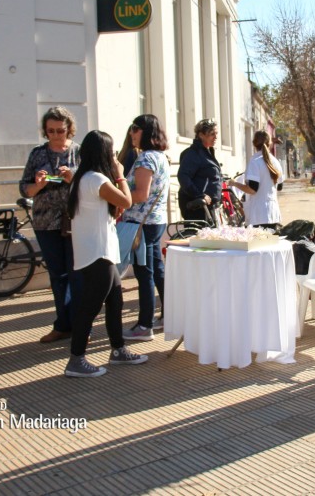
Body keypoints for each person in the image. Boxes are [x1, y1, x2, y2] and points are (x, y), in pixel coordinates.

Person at [65, 130, 147, 377]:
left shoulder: (83, 178)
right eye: (111, 152)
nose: (115, 157)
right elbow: (126, 201)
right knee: (89, 307)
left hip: (100, 251)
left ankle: (118, 350)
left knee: (115, 301)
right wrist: (121, 175)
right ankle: (76, 360)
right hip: (97, 253)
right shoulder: (95, 179)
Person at [19, 106, 81, 343]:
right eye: (51, 131)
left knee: (77, 274)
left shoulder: (79, 152)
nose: (56, 135)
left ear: (69, 129)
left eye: (60, 131)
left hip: (75, 219)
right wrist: (39, 186)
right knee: (58, 275)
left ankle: (78, 323)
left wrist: (72, 177)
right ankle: (62, 325)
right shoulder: (37, 153)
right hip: (46, 222)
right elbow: (24, 187)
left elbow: (92, 183)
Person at [120, 114, 170, 340]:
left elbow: (140, 194)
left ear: (146, 132)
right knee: (156, 269)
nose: (132, 133)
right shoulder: (159, 156)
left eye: (135, 129)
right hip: (155, 221)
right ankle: (168, 315)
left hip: (141, 223)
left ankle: (144, 325)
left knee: (145, 273)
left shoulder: (145, 159)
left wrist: (116, 197)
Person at [228, 130, 284, 230]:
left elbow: (252, 189)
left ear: (254, 144)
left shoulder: (255, 162)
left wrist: (235, 183)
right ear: (269, 143)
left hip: (259, 216)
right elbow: (279, 187)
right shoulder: (275, 162)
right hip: (273, 214)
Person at [177, 119, 222, 222]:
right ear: (201, 135)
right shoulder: (194, 153)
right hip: (198, 208)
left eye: (216, 133)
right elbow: (183, 176)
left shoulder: (207, 151)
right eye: (212, 134)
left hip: (208, 208)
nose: (216, 137)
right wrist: (199, 195)